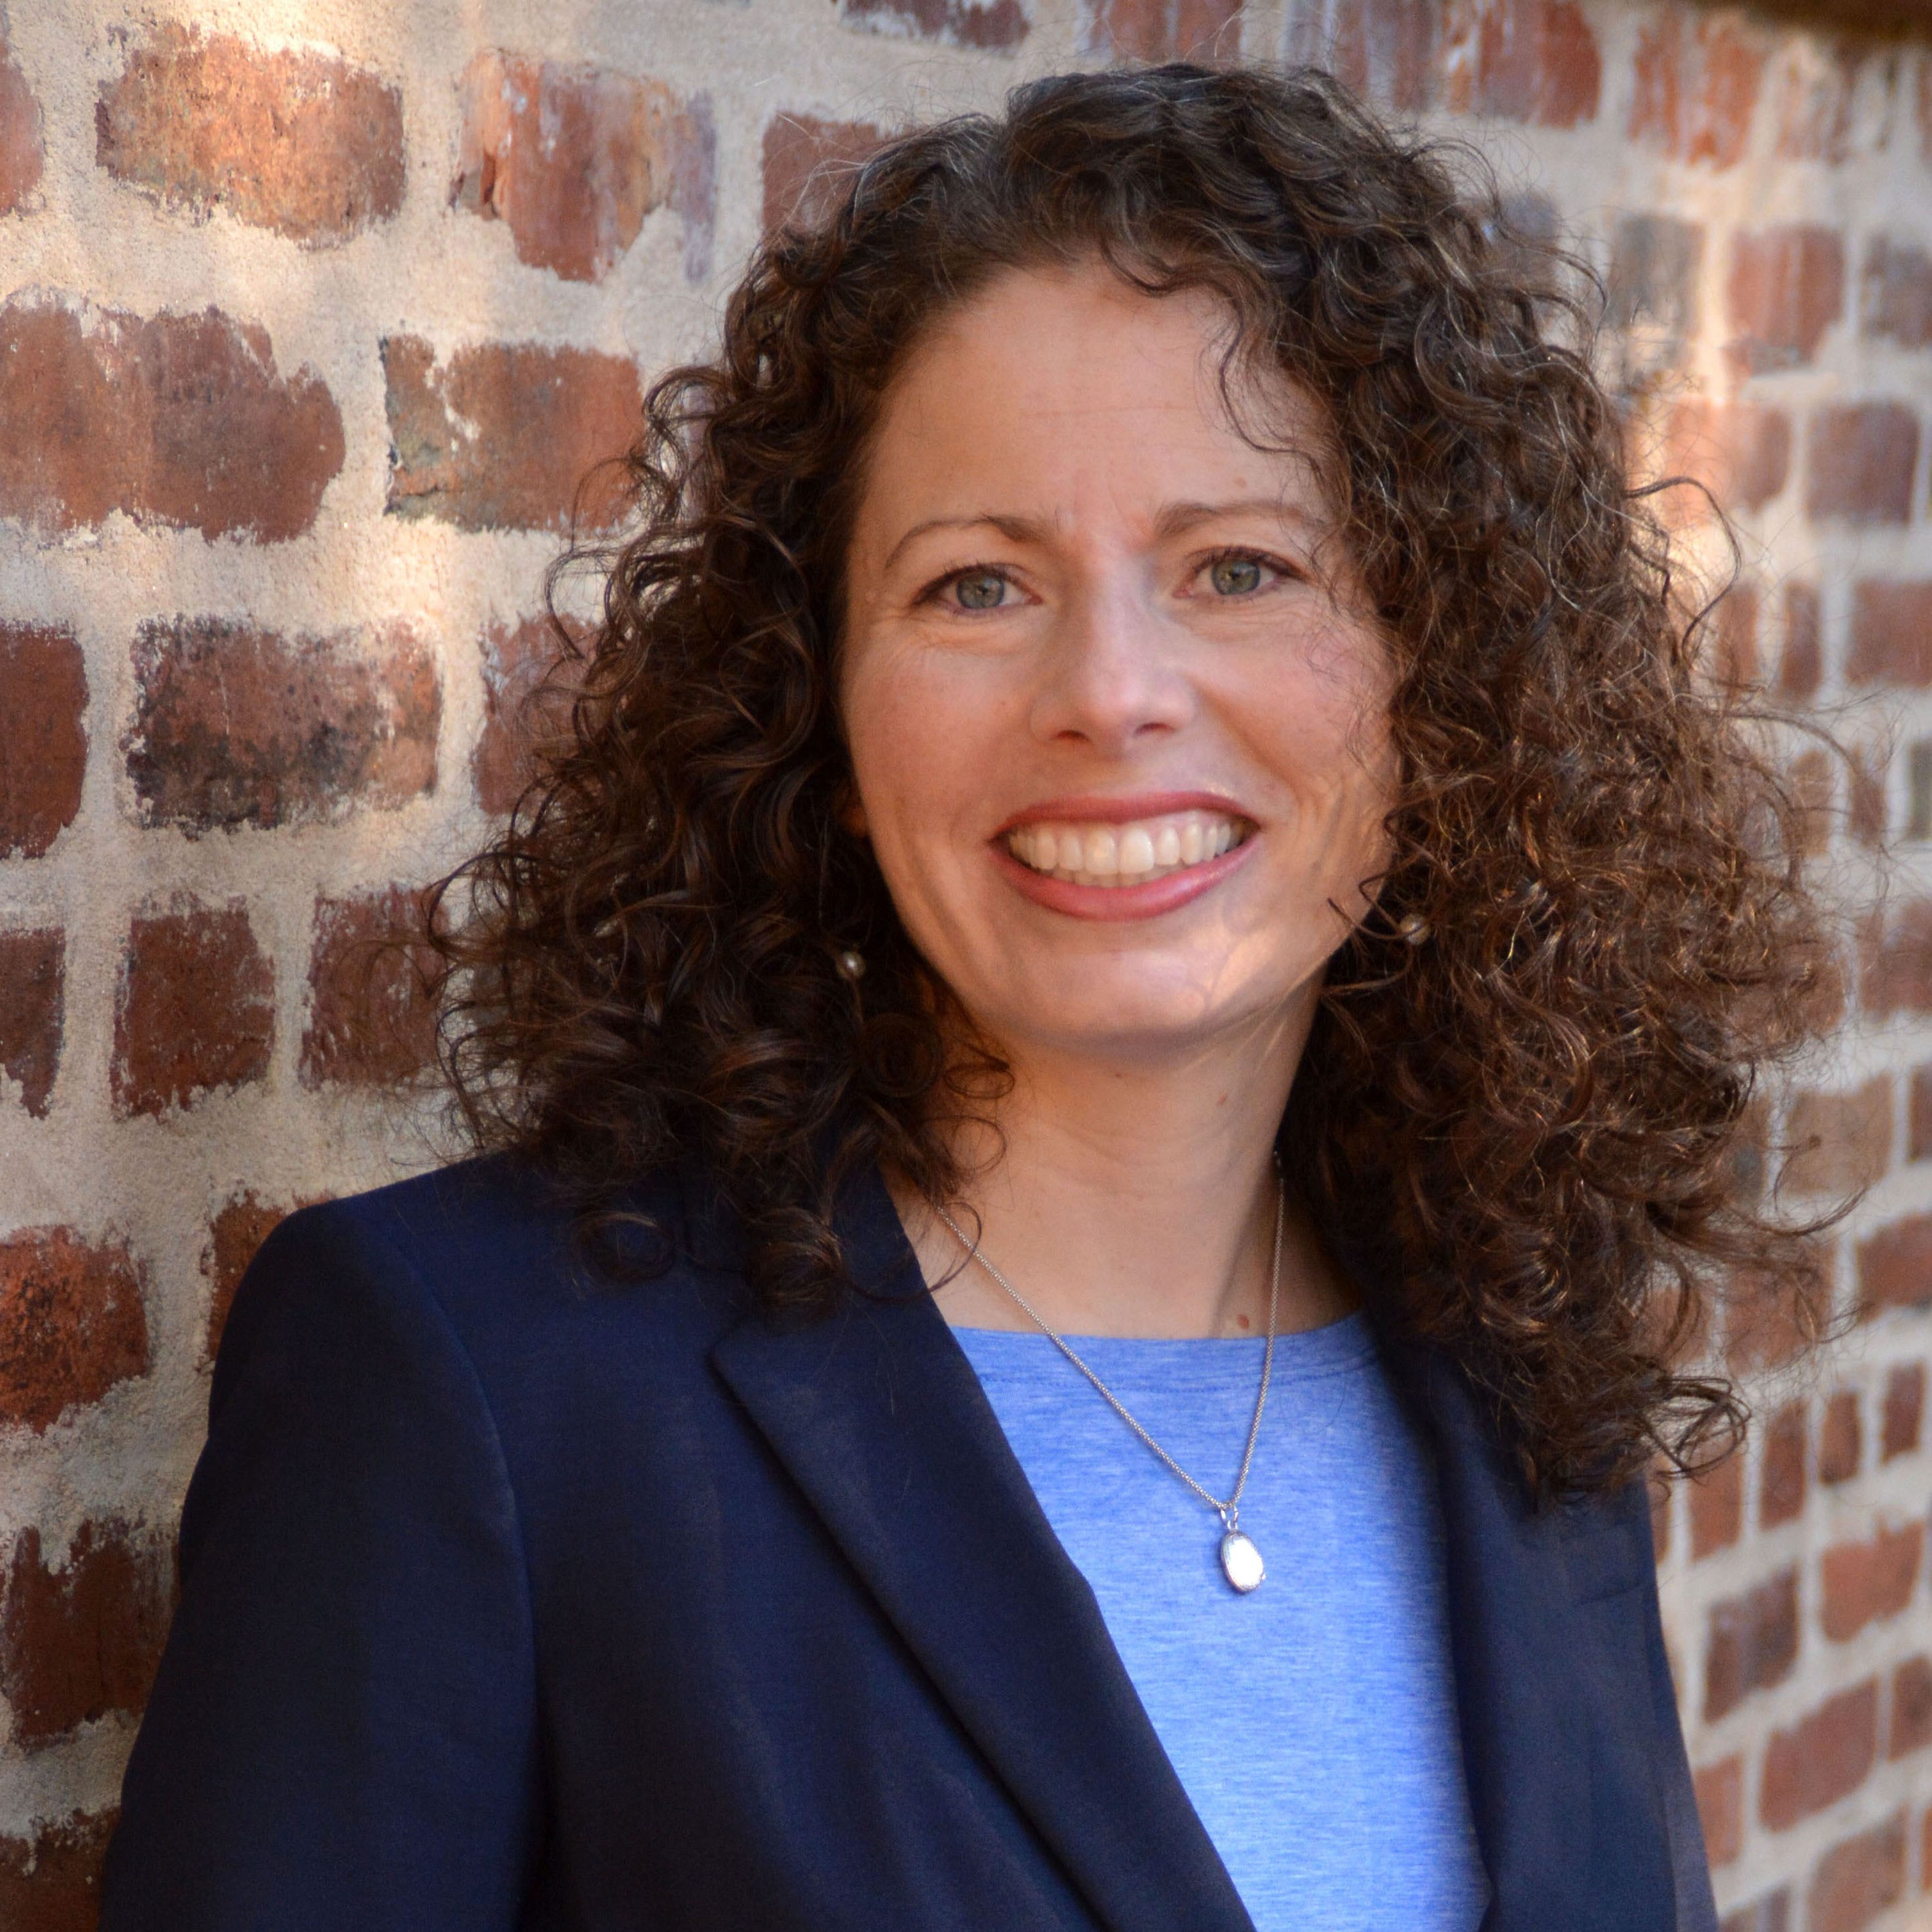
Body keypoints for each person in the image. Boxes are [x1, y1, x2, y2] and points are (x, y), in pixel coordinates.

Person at [101, 63, 1830, 1932]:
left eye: (1238, 565)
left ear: (1440, 686)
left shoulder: (1510, 1381)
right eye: (978, 584)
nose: (1111, 688)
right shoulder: (481, 1385)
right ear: (818, 711)